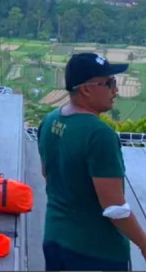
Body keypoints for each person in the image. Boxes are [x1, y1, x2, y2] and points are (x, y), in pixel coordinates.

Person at [37, 52, 146, 270]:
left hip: (55, 238)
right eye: (109, 83)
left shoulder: (50, 120)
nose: (115, 90)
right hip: (96, 252)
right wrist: (144, 244)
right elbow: (115, 208)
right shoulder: (100, 135)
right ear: (86, 89)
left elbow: (48, 175)